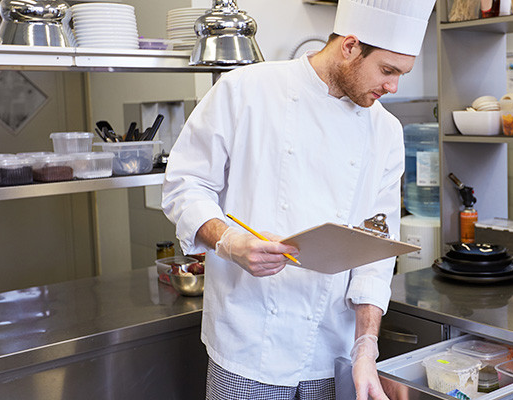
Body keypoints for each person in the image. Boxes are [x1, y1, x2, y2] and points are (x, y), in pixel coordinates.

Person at [161, 0, 435, 399]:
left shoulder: (387, 131)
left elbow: (376, 248)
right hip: (249, 345)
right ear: (350, 47)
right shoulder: (246, 91)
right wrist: (230, 243)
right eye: (388, 71)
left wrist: (366, 346)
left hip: (331, 347)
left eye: (401, 75)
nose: (393, 87)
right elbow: (185, 185)